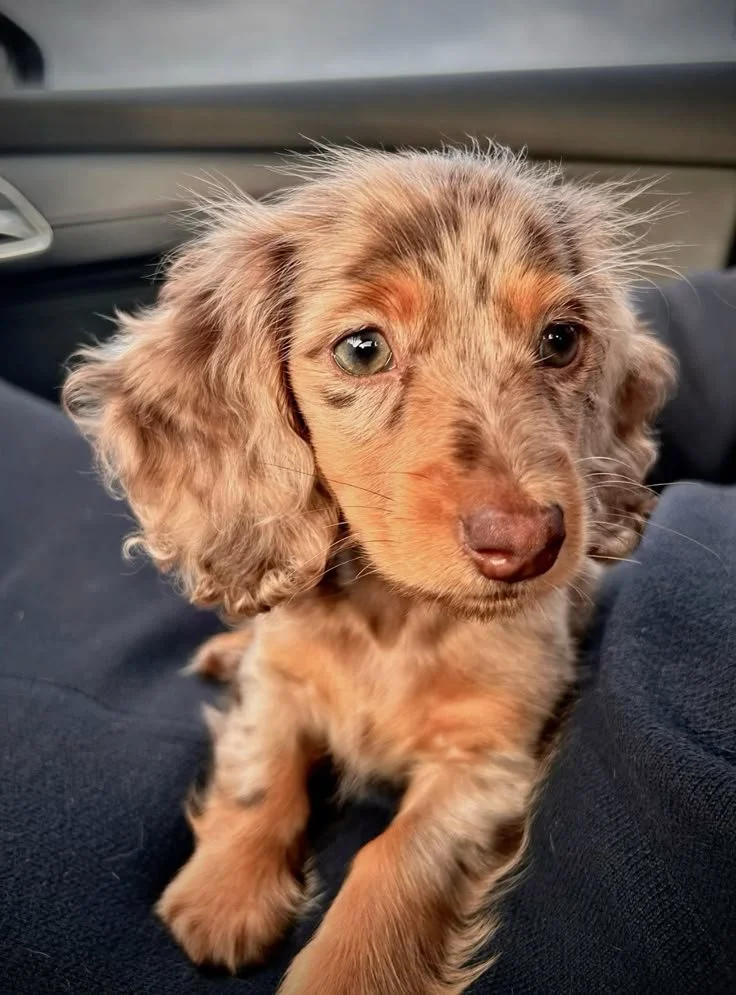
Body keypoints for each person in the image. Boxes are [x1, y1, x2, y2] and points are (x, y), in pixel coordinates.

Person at [1, 270, 734, 995]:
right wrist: (250, 826)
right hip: (316, 585)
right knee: (276, 677)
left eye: (557, 341)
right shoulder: (290, 556)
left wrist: (391, 910)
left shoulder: (536, 597)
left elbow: (485, 766)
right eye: (363, 348)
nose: (515, 507)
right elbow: (275, 695)